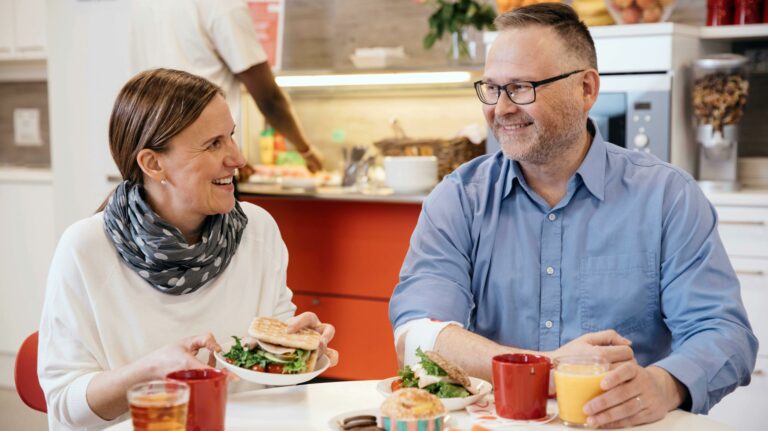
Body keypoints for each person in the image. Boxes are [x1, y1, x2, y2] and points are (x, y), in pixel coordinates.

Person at [388, 4, 757, 428]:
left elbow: (724, 332)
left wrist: (663, 384)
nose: (501, 108)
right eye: (492, 88)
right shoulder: (458, 199)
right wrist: (546, 367)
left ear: (586, 89)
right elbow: (419, 332)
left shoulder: (667, 197)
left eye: (522, 87)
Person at [38, 69, 337, 431]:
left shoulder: (258, 230)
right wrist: (149, 372)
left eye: (231, 137)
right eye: (214, 144)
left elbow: (269, 384)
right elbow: (65, 403)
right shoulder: (85, 248)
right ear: (153, 163)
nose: (238, 159)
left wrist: (295, 352)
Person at [130, 0, 322, 173]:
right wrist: (306, 151)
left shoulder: (142, 5)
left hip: (158, 161)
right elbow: (269, 99)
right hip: (206, 166)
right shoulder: (223, 4)